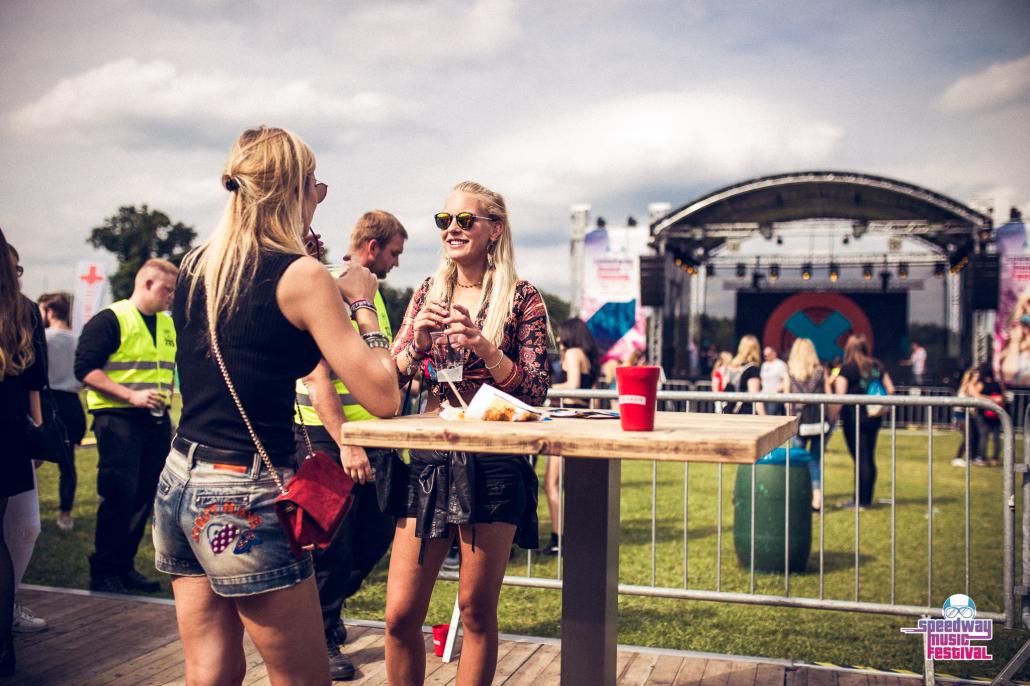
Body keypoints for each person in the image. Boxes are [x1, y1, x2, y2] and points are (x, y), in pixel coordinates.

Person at [152, 126, 400, 685]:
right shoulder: (302, 277)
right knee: (303, 675)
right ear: (293, 190)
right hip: (243, 491)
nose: (322, 196)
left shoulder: (197, 264)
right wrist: (362, 302)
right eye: (317, 185)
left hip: (181, 479)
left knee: (210, 670)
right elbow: (383, 396)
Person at [386, 180, 550, 686]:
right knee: (399, 616)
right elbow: (391, 378)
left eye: (464, 220)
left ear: (494, 229)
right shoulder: (426, 294)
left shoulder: (522, 297)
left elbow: (536, 389)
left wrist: (485, 348)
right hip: (433, 458)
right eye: (444, 221)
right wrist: (417, 342)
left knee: (475, 612)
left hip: (493, 460)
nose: (452, 229)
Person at [293, 209, 407, 680]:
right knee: (328, 547)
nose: (397, 263)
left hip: (372, 435)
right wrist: (346, 441)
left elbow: (374, 363)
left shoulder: (369, 292)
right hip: (325, 437)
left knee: (381, 532)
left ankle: (328, 612)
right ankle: (317, 638)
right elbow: (318, 374)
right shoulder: (331, 286)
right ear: (374, 246)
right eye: (395, 253)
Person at [74, 258, 178, 593]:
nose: (171, 296)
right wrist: (130, 396)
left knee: (145, 496)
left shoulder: (166, 324)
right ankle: (104, 572)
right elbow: (85, 369)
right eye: (167, 289)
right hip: (118, 419)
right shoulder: (111, 319)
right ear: (147, 283)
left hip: (155, 421)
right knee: (119, 496)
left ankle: (124, 567)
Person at [0, 229, 48, 676]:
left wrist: (34, 431)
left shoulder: (23, 311)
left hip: (11, 432)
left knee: (20, 529)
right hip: (10, 432)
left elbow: (34, 379)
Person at [542, 318, 598, 555]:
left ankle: (559, 539)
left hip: (567, 420)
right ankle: (574, 535)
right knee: (573, 484)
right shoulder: (587, 356)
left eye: (560, 334)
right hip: (580, 420)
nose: (557, 339)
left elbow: (573, 384)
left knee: (551, 483)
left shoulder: (573, 353)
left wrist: (545, 389)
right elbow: (591, 393)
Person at [38, 292, 87, 531]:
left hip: (47, 401)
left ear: (49, 312)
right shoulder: (79, 339)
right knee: (68, 464)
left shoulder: (43, 338)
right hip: (72, 404)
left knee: (32, 458)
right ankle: (65, 513)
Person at [831, 334, 895, 509]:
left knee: (860, 458)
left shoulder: (847, 368)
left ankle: (860, 501)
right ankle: (866, 498)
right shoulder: (877, 366)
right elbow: (890, 389)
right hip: (874, 417)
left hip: (853, 419)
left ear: (849, 348)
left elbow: (840, 396)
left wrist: (831, 416)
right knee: (868, 457)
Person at [780, 338, 832, 511]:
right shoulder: (820, 371)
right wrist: (830, 419)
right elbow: (830, 397)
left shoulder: (791, 373)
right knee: (815, 460)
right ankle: (817, 499)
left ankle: (798, 494)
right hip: (819, 421)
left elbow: (787, 401)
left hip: (799, 422)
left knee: (798, 459)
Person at [951, 367, 987, 467]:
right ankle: (957, 458)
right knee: (968, 436)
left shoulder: (974, 387)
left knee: (975, 436)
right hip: (961, 415)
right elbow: (962, 402)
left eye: (978, 376)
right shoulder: (965, 387)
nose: (977, 378)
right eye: (975, 376)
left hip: (969, 415)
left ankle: (973, 457)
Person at [722, 335, 763, 415]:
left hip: (729, 411)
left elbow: (725, 387)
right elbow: (755, 396)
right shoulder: (752, 369)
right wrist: (764, 417)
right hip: (746, 412)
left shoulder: (730, 367)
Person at [760, 346, 788, 416]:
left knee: (771, 416)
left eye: (768, 355)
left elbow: (786, 379)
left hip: (775, 397)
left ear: (774, 353)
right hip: (764, 396)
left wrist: (781, 388)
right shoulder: (764, 365)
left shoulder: (780, 364)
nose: (766, 357)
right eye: (765, 355)